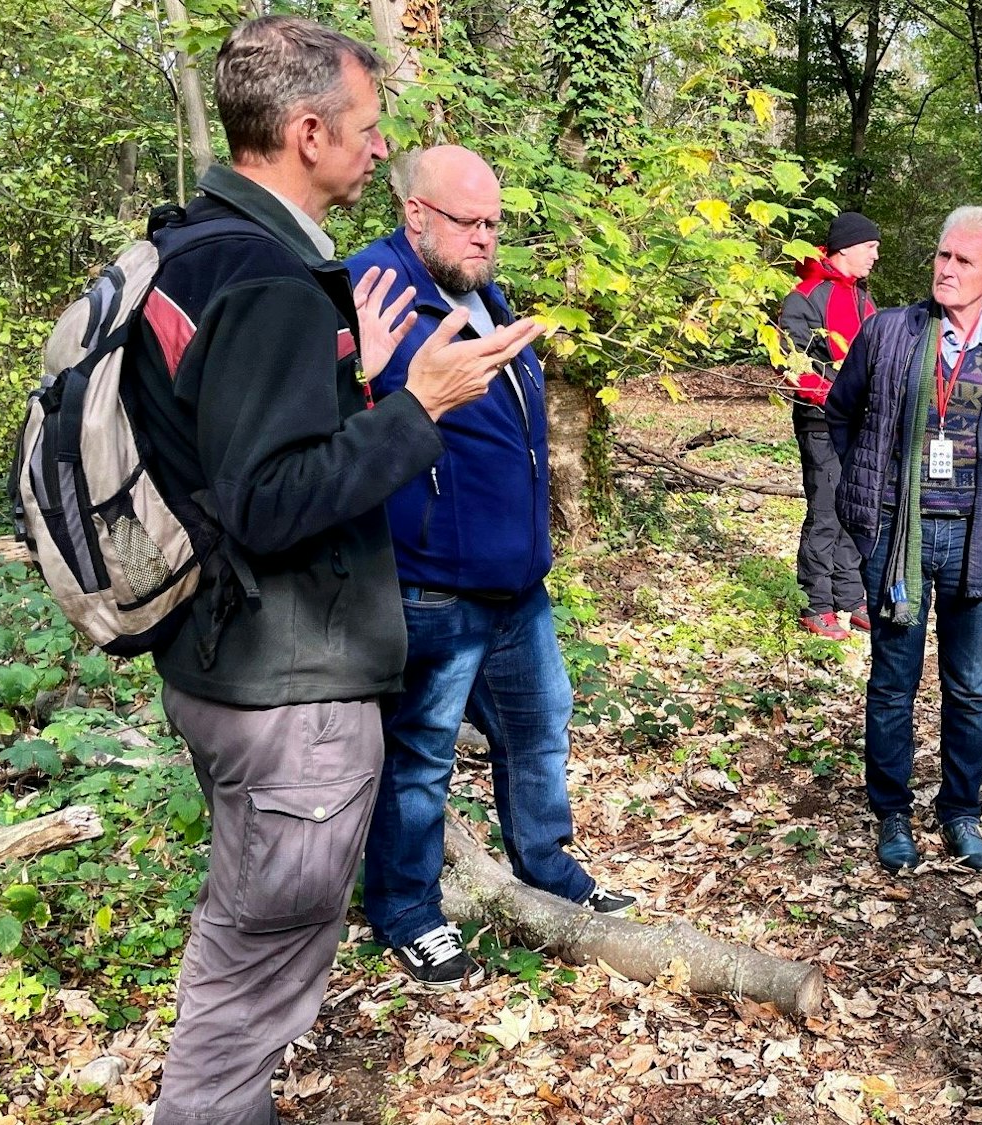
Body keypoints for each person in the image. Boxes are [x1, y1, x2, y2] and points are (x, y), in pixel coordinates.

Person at [124, 17, 545, 1125]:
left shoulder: (194, 246)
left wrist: (351, 373)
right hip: (282, 680)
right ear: (305, 131)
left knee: (242, 938)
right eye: (363, 132)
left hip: (219, 655)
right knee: (256, 963)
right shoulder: (262, 278)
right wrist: (420, 405)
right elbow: (269, 504)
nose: (374, 151)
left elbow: (226, 458)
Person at [347, 146, 634, 991]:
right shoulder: (374, 292)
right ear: (416, 214)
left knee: (541, 724)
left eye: (494, 223)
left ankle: (548, 868)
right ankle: (404, 907)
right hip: (434, 580)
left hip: (516, 581)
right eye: (468, 221)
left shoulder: (474, 290)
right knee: (421, 753)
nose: (484, 237)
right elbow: (345, 421)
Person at [825, 206, 982, 873]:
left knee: (970, 685)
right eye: (942, 254)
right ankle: (892, 810)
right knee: (894, 681)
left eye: (962, 260)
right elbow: (843, 414)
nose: (946, 268)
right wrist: (872, 491)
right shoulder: (889, 332)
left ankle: (960, 810)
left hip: (976, 539)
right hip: (901, 537)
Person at [779, 211, 880, 640]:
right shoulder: (805, 295)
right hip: (821, 421)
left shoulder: (863, 299)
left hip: (862, 424)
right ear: (846, 248)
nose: (876, 256)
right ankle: (815, 603)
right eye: (870, 247)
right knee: (825, 511)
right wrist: (832, 399)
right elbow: (793, 362)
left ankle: (851, 597)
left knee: (854, 511)